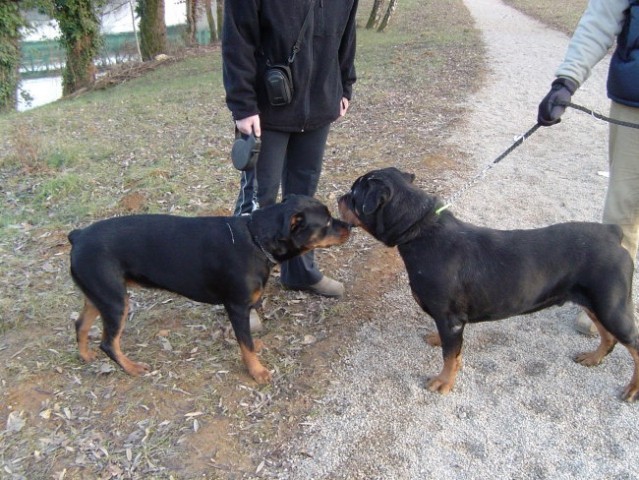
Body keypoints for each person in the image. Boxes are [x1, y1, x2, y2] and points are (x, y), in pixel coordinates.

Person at [221, 0, 358, 300]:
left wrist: (344, 84)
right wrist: (242, 105)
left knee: (305, 196)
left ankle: (299, 273)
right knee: (259, 199)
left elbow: (346, 34)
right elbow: (237, 40)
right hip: (266, 110)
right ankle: (241, 291)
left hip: (320, 104)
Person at [537, 0, 639, 335]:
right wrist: (566, 81)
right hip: (635, 103)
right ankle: (611, 298)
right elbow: (600, 18)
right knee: (625, 207)